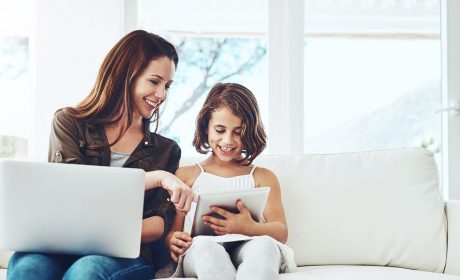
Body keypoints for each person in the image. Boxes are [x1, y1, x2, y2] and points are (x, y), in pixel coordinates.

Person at [7, 30, 194, 280]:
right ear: (126, 75)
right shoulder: (69, 123)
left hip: (125, 256)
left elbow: (156, 225)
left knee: (87, 271)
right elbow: (72, 187)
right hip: (57, 248)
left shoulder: (166, 149)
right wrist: (157, 177)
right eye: (154, 81)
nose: (162, 95)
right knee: (28, 268)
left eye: (167, 86)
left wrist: (93, 231)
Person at [165, 83, 296, 280]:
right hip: (200, 248)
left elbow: (281, 231)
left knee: (265, 245)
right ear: (206, 128)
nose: (228, 140)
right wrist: (171, 240)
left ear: (249, 131)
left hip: (249, 244)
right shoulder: (185, 176)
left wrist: (248, 228)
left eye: (238, 132)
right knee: (205, 246)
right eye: (220, 130)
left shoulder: (262, 177)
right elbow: (173, 231)